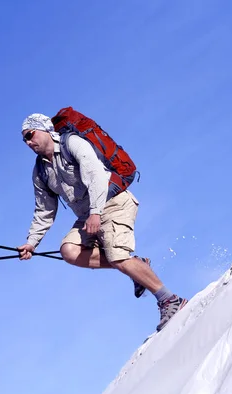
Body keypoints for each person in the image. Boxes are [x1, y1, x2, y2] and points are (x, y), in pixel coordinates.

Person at [17, 112, 188, 331]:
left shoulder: (73, 143)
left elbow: (96, 176)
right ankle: (137, 266)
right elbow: (44, 209)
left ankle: (170, 299)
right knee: (69, 251)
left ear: (45, 129)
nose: (28, 142)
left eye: (30, 134)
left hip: (113, 203)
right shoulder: (40, 170)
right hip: (88, 215)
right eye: (25, 139)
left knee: (118, 256)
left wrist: (96, 213)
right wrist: (32, 242)